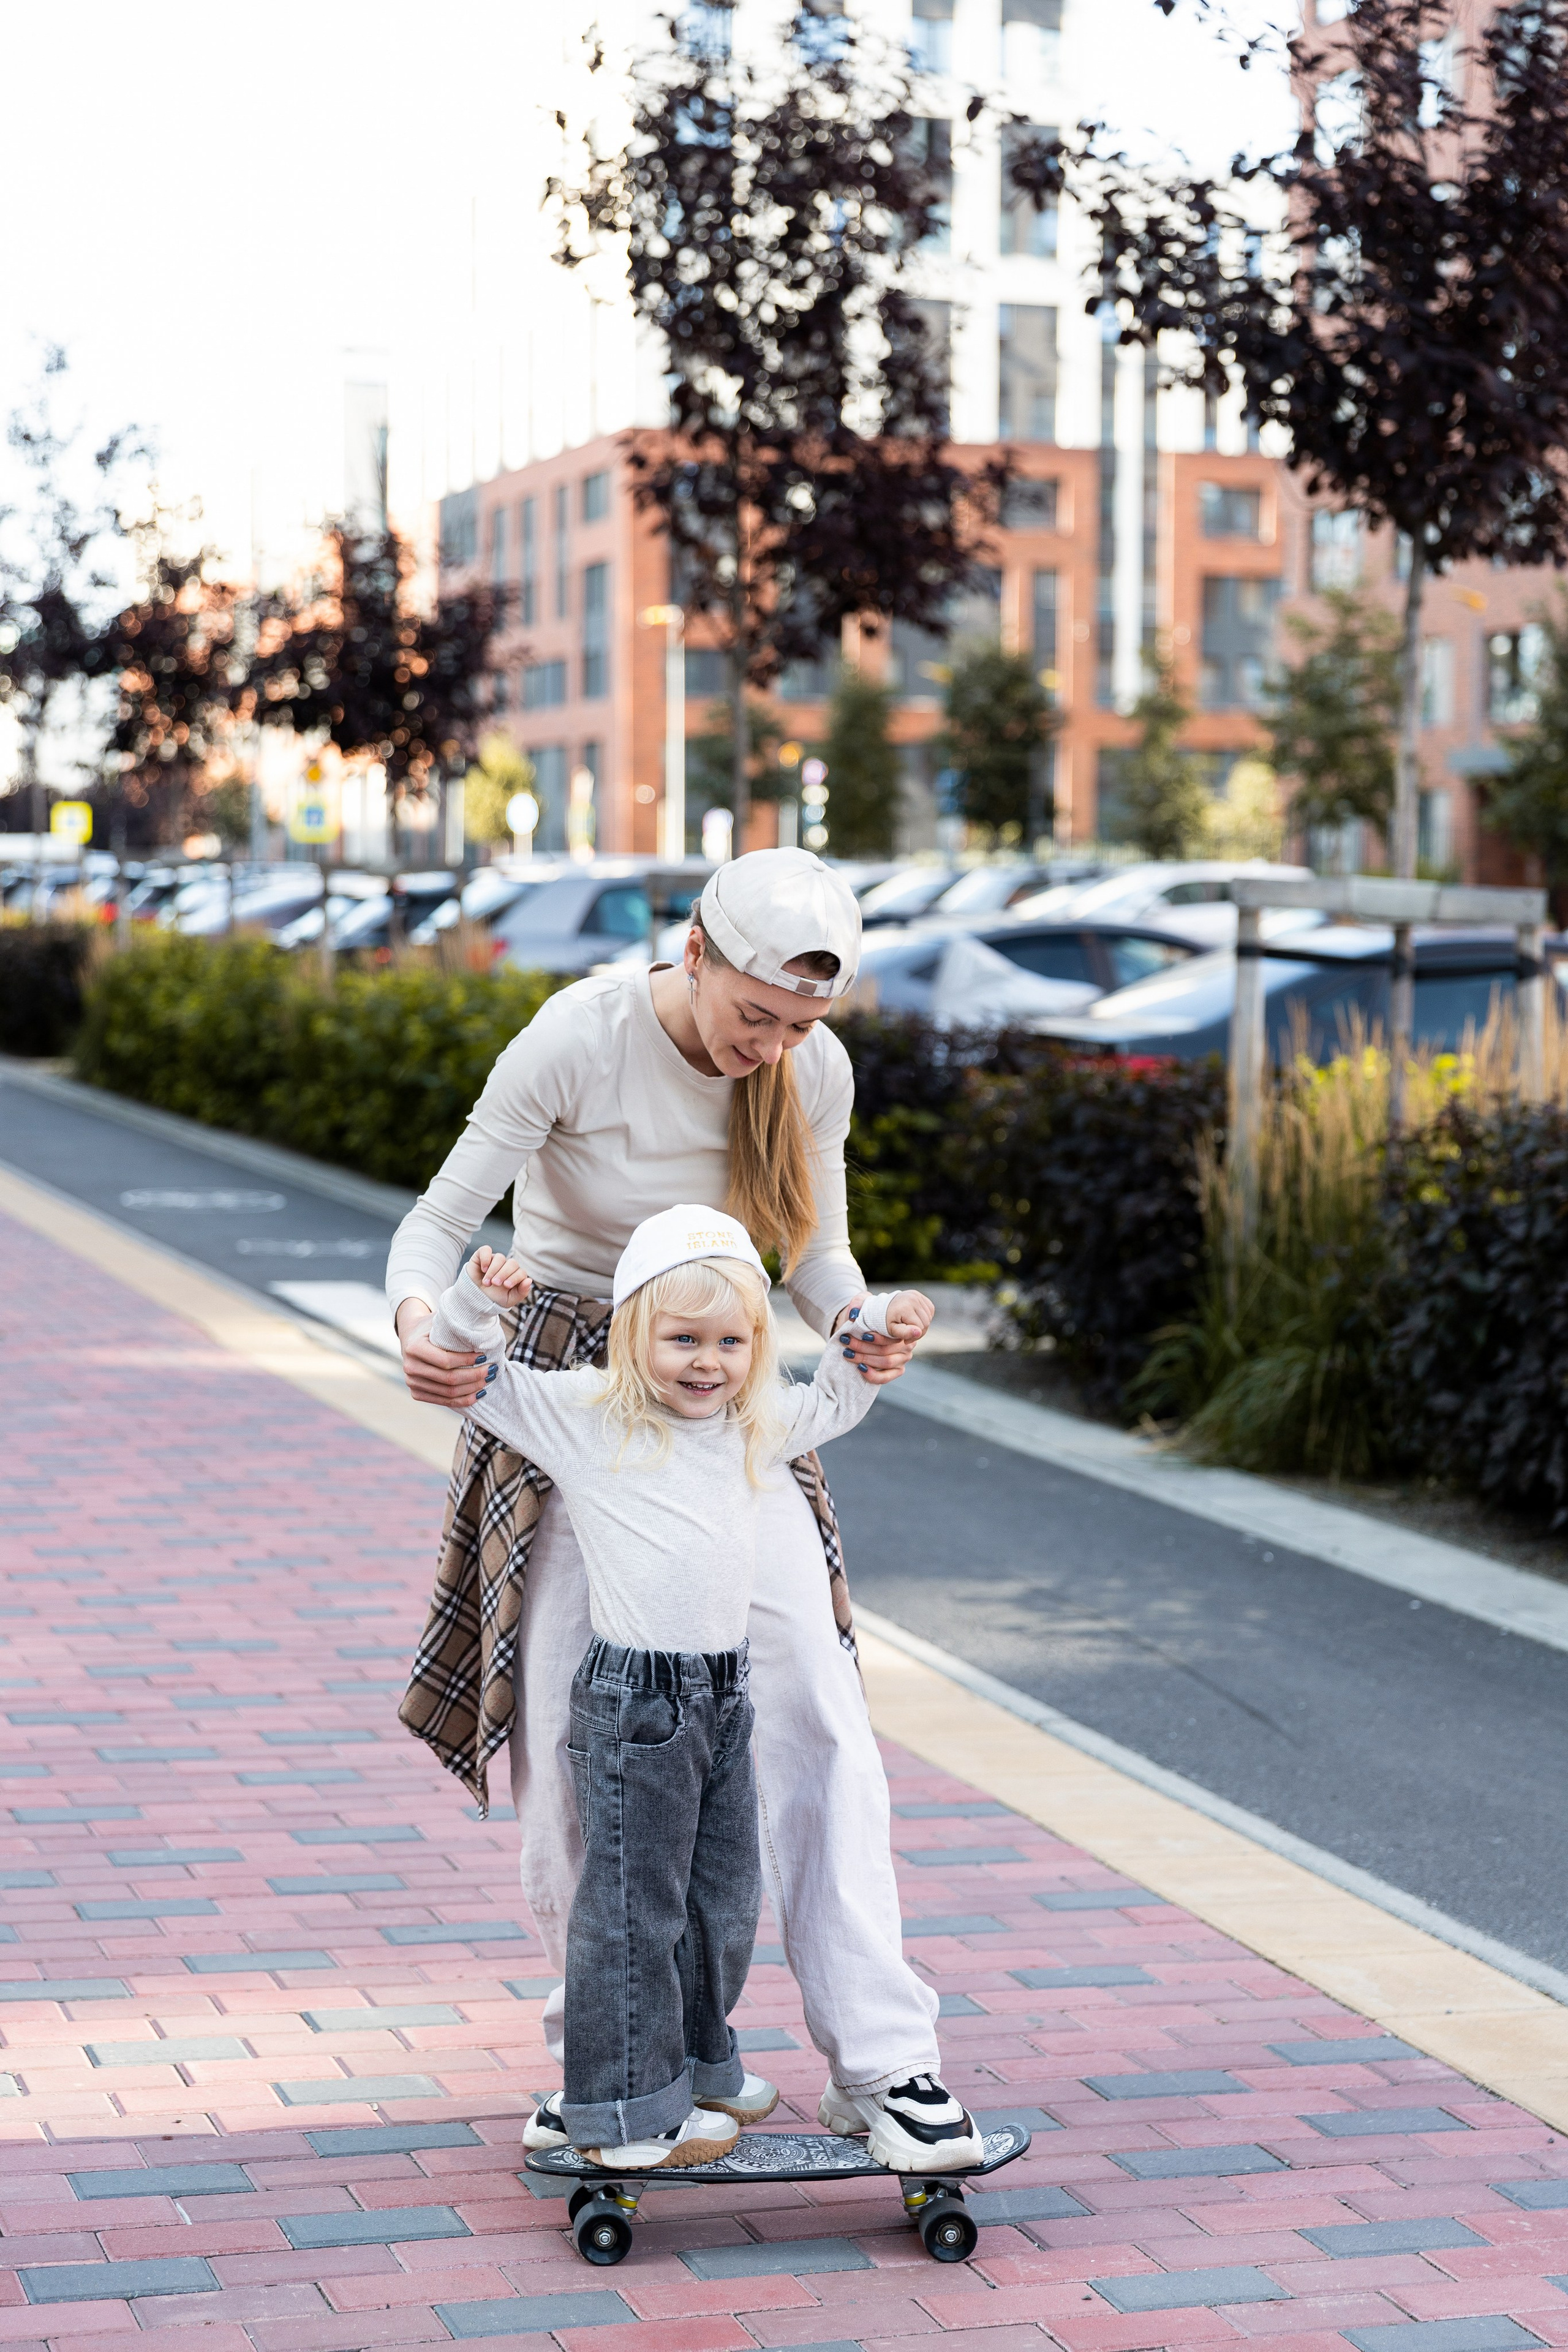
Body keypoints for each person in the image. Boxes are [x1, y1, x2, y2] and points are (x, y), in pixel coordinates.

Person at [389, 848, 984, 2171]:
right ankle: (597, 2057)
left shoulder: (808, 1075)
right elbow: (432, 1228)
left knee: (817, 1713)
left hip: (727, 1391)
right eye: (754, 1018)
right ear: (695, 957)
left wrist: (855, 1317)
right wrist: (423, 1328)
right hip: (564, 1390)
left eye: (801, 1027)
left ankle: (888, 2066)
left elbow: (818, 1253)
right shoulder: (578, 1039)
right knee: (571, 1734)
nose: (771, 1050)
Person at [426, 1207, 935, 2169]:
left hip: (723, 1700)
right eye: (683, 1340)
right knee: (631, 1906)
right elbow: (478, 1382)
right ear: (632, 1336)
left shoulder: (755, 1420)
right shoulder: (584, 1415)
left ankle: (695, 2064)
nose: (708, 1363)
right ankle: (624, 2112)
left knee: (721, 1899)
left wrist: (879, 1326)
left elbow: (836, 1397)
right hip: (637, 1708)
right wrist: (470, 1304)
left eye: (732, 1342)